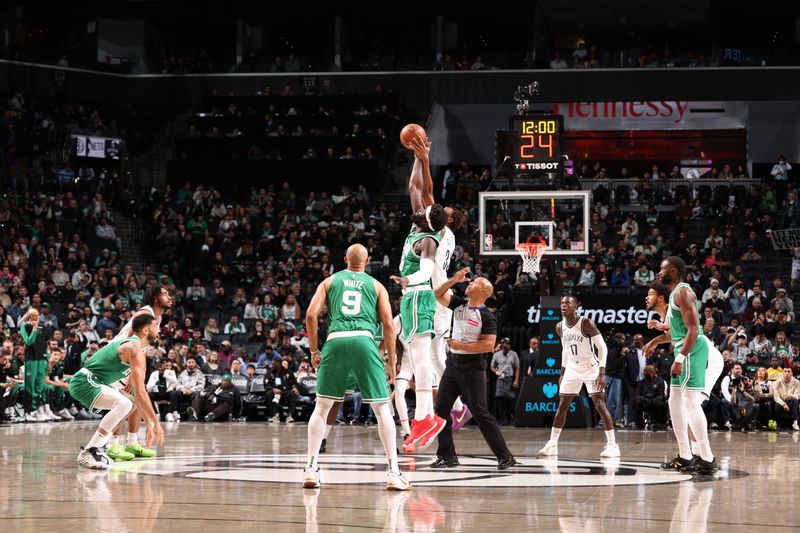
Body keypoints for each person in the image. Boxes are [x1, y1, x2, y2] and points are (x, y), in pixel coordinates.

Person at [303, 244, 410, 491]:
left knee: (321, 407)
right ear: (367, 261)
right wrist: (392, 363)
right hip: (365, 340)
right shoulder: (376, 285)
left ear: (344, 260)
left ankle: (311, 468)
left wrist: (313, 350)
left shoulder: (329, 281)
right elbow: (388, 325)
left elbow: (310, 315)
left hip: (335, 340)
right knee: (383, 408)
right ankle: (394, 472)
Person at [389, 136, 449, 453]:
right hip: (413, 299)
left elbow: (426, 271)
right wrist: (419, 157)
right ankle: (422, 418)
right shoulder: (420, 224)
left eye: (423, 209)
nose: (417, 206)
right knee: (414, 354)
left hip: (419, 295)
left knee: (423, 358)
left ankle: (426, 416)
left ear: (428, 219)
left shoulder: (429, 238)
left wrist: (407, 278)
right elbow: (416, 187)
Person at [408, 136, 472, 430]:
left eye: (445, 210)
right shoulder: (439, 229)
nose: (440, 208)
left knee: (434, 354)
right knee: (429, 354)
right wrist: (417, 157)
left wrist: (424, 158)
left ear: (450, 219)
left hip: (437, 299)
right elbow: (416, 189)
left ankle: (459, 406)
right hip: (429, 295)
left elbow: (427, 190)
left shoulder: (442, 230)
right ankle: (457, 407)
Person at [430, 268, 517, 470]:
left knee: (481, 413)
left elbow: (488, 345)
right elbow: (436, 294)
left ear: (483, 291)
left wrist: (462, 346)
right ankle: (447, 456)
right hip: (453, 365)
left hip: (473, 367)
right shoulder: (459, 304)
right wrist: (454, 280)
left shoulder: (487, 316)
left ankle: (505, 456)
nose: (470, 282)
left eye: (475, 281)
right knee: (440, 411)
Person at [68, 314, 164, 469]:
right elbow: (140, 392)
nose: (159, 329)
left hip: (97, 382)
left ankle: (102, 446)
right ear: (146, 330)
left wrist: (148, 421)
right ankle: (91, 450)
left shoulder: (138, 348)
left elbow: (138, 395)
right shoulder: (133, 348)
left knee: (130, 403)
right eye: (156, 325)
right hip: (85, 381)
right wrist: (154, 423)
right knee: (124, 403)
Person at [644, 280, 724, 453]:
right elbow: (675, 334)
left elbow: (689, 331)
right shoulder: (666, 315)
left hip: (706, 358)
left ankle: (700, 454)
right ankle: (689, 453)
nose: (646, 297)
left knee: (689, 406)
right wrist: (658, 336)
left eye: (650, 293)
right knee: (679, 405)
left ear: (660, 297)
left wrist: (658, 339)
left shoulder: (674, 306)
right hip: (695, 355)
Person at [655, 256, 717, 474]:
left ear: (673, 272)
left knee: (691, 403)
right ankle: (685, 456)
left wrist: (680, 358)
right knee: (674, 401)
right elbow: (678, 331)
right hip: (684, 348)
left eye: (662, 270)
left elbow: (693, 329)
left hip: (691, 350)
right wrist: (658, 334)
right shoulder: (674, 295)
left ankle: (707, 458)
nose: (658, 273)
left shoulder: (683, 291)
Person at [538, 295, 618, 458]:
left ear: (576, 307)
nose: (564, 305)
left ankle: (612, 445)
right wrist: (562, 373)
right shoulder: (559, 327)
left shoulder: (586, 323)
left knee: (600, 405)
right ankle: (552, 444)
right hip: (572, 369)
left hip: (590, 367)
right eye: (562, 303)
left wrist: (602, 372)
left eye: (568, 303)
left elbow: (602, 347)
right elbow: (565, 350)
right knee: (562, 405)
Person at [106, 284, 173, 461]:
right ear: (155, 298)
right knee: (124, 401)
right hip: (119, 360)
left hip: (131, 360)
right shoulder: (145, 312)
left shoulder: (156, 319)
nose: (170, 297)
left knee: (136, 398)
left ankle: (132, 443)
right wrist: (128, 373)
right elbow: (131, 340)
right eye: (165, 294)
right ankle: (112, 446)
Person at [20, 309, 49, 422]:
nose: (35, 317)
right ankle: (28, 412)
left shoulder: (42, 327)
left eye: (36, 315)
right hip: (31, 360)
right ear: (28, 316)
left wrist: (48, 359)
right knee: (29, 387)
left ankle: (35, 410)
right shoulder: (25, 327)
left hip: (42, 360)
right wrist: (34, 328)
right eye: (32, 315)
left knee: (39, 386)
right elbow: (28, 341)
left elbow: (44, 345)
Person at [491, 338, 519, 425]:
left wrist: (516, 380)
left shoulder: (513, 354)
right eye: (504, 344)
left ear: (510, 345)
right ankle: (502, 419)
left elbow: (517, 368)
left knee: (509, 400)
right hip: (500, 379)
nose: (505, 345)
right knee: (500, 398)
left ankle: (508, 418)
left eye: (507, 344)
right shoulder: (497, 355)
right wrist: (496, 372)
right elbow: (492, 366)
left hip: (509, 379)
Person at [636, 365, 667, 429]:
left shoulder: (660, 381)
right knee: (637, 403)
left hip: (654, 401)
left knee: (659, 404)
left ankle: (658, 423)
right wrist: (645, 400)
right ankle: (639, 424)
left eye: (647, 371)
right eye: (644, 371)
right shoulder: (641, 382)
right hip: (645, 401)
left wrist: (653, 400)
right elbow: (638, 395)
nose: (645, 373)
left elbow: (661, 395)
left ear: (652, 371)